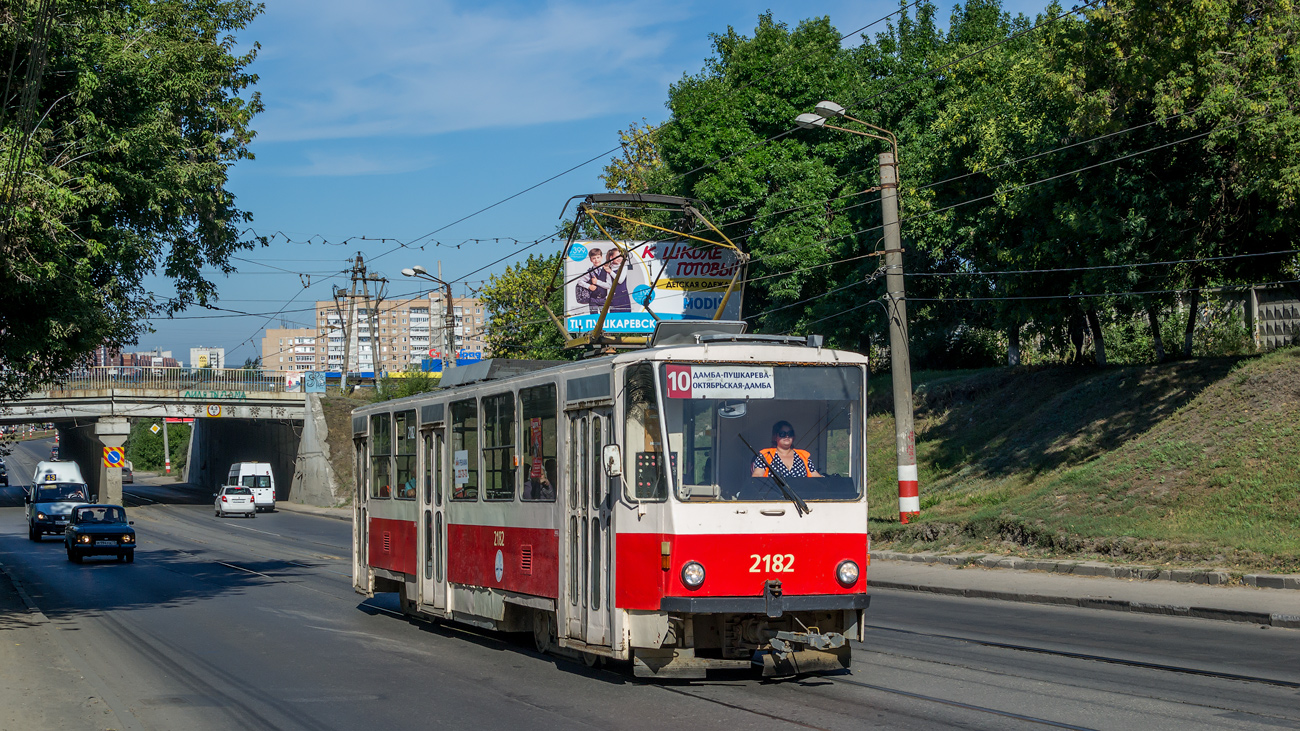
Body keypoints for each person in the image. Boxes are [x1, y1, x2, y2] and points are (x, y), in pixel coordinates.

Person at [751, 421, 822, 478]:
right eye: (782, 433)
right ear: (775, 437)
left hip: (800, 495)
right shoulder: (765, 456)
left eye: (790, 433)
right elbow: (757, 476)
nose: (787, 436)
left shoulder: (803, 456)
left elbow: (816, 476)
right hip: (774, 495)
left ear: (793, 437)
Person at [578, 248, 608, 314]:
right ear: (591, 260)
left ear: (601, 258)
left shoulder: (606, 270)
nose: (596, 260)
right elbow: (580, 281)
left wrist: (597, 282)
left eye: (598, 257)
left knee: (605, 317)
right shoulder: (590, 272)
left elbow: (609, 285)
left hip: (603, 298)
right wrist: (589, 286)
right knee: (593, 317)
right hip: (593, 299)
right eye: (594, 258)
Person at [604, 247, 632, 312]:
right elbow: (608, 283)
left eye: (621, 256)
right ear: (611, 257)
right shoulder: (608, 268)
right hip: (613, 297)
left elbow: (620, 280)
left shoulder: (623, 267)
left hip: (623, 296)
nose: (619, 258)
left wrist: (610, 272)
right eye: (617, 256)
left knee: (625, 316)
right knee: (614, 316)